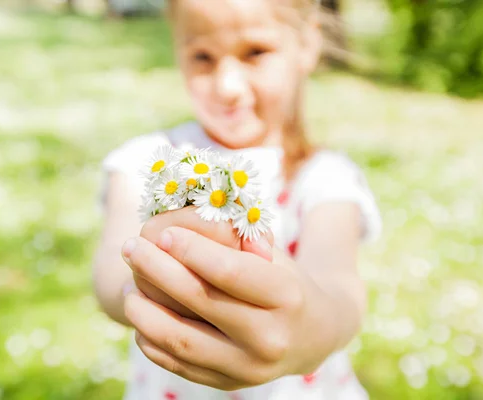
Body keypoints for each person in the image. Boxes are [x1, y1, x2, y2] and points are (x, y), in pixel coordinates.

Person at [93, 0, 382, 398]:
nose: (227, 86)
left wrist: (313, 333)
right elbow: (112, 269)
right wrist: (145, 286)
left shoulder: (325, 179)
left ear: (308, 44)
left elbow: (341, 291)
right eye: (202, 57)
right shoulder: (150, 163)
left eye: (256, 52)